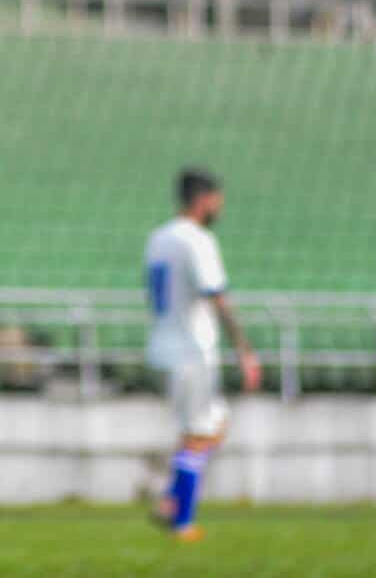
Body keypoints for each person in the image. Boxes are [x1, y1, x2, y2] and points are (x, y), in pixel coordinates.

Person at [143, 166, 261, 542]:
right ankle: (182, 521)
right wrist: (245, 350)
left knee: (211, 424)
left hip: (163, 346)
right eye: (217, 199)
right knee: (198, 433)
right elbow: (217, 296)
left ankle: (170, 499)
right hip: (191, 350)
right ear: (204, 199)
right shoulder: (197, 241)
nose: (220, 207)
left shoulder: (158, 238)